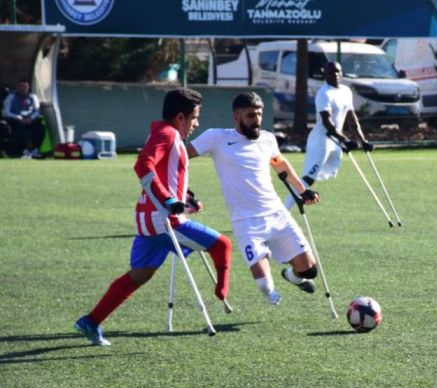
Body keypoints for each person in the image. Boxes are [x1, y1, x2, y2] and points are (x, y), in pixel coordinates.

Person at [75, 88, 232, 346]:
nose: (197, 123)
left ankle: (91, 321)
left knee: (139, 275)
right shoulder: (167, 133)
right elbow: (142, 165)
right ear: (181, 117)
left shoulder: (163, 133)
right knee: (222, 245)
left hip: (148, 219)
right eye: (195, 117)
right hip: (164, 221)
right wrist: (167, 199)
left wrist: (185, 198)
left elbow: (163, 174)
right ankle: (222, 295)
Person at [187, 92, 320, 306]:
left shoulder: (268, 139)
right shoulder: (217, 137)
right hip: (246, 222)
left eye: (259, 114)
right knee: (264, 286)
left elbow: (280, 164)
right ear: (236, 117)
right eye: (250, 115)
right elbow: (182, 155)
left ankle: (293, 276)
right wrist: (183, 189)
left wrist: (303, 191)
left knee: (310, 270)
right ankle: (272, 292)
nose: (256, 119)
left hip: (277, 215)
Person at [283, 61, 373, 210]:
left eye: (338, 71)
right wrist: (345, 140)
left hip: (335, 142)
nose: (336, 75)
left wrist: (362, 141)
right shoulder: (324, 93)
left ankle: (286, 207)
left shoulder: (346, 91)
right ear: (325, 75)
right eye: (331, 72)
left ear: (342, 73)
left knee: (323, 174)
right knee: (308, 179)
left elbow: (352, 118)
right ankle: (283, 211)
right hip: (321, 141)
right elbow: (327, 123)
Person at [2, 79, 44, 158]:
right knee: (21, 132)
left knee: (40, 129)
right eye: (20, 86)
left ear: (28, 87)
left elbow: (37, 111)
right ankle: (23, 151)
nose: (22, 88)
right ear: (17, 87)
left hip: (30, 120)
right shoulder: (11, 96)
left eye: (25, 86)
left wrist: (31, 118)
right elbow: (7, 112)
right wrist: (19, 118)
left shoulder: (33, 97)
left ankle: (35, 150)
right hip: (15, 120)